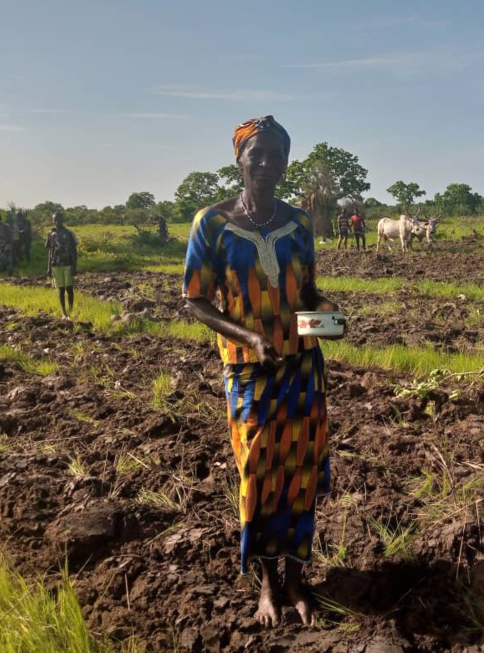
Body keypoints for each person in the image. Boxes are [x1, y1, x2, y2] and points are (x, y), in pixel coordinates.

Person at [182, 115, 343, 628]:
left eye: (278, 155)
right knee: (257, 473)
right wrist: (249, 337)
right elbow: (195, 301)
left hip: (301, 367)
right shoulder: (211, 222)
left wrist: (329, 314)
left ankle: (298, 577)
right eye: (259, 155)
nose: (269, 164)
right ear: (240, 159)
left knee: (300, 475)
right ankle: (267, 583)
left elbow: (308, 292)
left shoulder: (297, 223)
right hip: (249, 371)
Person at [45, 211, 79, 319]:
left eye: (59, 219)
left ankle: (71, 310)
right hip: (56, 264)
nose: (57, 222)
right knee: (60, 289)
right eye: (55, 219)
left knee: (69, 288)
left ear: (63, 220)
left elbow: (74, 251)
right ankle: (64, 313)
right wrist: (49, 267)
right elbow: (50, 251)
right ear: (53, 221)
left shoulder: (69, 233)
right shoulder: (50, 234)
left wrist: (75, 266)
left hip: (68, 263)